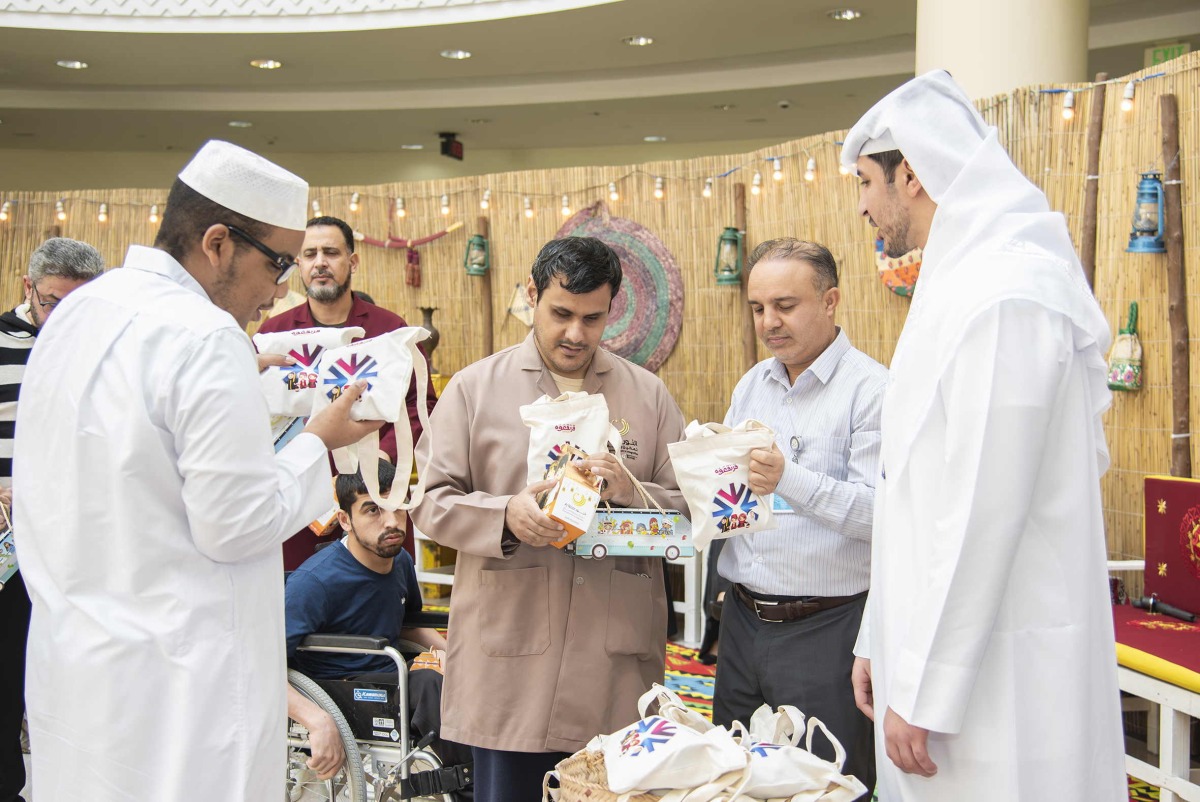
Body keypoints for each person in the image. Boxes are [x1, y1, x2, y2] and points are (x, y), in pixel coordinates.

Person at [13, 140, 381, 802]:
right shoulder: (203, 336)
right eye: (277, 263)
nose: (279, 290)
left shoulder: (78, 314)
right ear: (217, 244)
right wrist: (317, 441)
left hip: (79, 670)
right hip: (180, 696)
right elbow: (236, 526)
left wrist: (245, 384)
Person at [841, 70, 1124, 801]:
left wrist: (929, 686)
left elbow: (982, 508)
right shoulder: (959, 285)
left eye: (867, 183)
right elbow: (910, 490)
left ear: (911, 175)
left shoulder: (1009, 294)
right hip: (935, 660)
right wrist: (880, 637)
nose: (864, 205)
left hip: (995, 677)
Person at [410, 236, 687, 802]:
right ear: (532, 295)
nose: (575, 334)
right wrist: (505, 515)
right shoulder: (474, 390)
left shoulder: (647, 396)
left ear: (611, 309)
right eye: (560, 313)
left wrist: (630, 490)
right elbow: (429, 503)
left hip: (615, 663)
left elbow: (686, 512)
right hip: (509, 657)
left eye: (592, 318)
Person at [712, 238, 884, 796]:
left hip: (828, 629)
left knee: (824, 784)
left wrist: (787, 477)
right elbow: (738, 498)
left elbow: (880, 515)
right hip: (741, 622)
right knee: (732, 777)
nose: (769, 323)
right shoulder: (751, 384)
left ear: (831, 301)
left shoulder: (872, 391)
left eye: (785, 306)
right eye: (758, 308)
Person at [255, 215, 437, 567]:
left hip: (376, 496)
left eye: (331, 252)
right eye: (309, 254)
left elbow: (420, 404)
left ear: (351, 261)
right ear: (298, 264)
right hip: (301, 499)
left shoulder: (390, 330)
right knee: (301, 604)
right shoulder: (274, 335)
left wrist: (384, 456)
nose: (320, 262)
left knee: (384, 607)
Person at [284, 460, 468, 789]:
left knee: (466, 670)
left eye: (398, 508)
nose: (392, 521)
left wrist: (459, 659)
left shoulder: (400, 561)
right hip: (338, 685)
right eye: (373, 510)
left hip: (387, 672)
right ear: (344, 519)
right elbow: (262, 667)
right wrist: (316, 719)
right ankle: (467, 783)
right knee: (428, 682)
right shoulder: (314, 582)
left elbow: (408, 625)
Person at [0, 237, 103, 802]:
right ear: (27, 289)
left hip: (80, 550)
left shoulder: (107, 349)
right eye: (50, 302)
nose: (61, 317)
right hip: (9, 551)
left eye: (78, 306)